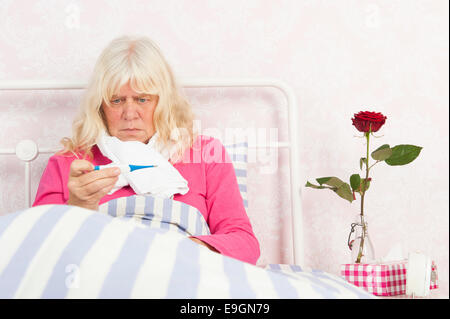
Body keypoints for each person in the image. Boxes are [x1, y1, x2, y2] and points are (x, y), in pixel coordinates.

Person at [33, 35, 260, 265]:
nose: (130, 114)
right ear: (100, 105)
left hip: (182, 271)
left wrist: (187, 249)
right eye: (117, 100)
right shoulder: (70, 163)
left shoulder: (206, 154)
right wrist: (78, 208)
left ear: (164, 102)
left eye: (142, 99)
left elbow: (245, 243)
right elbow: (35, 250)